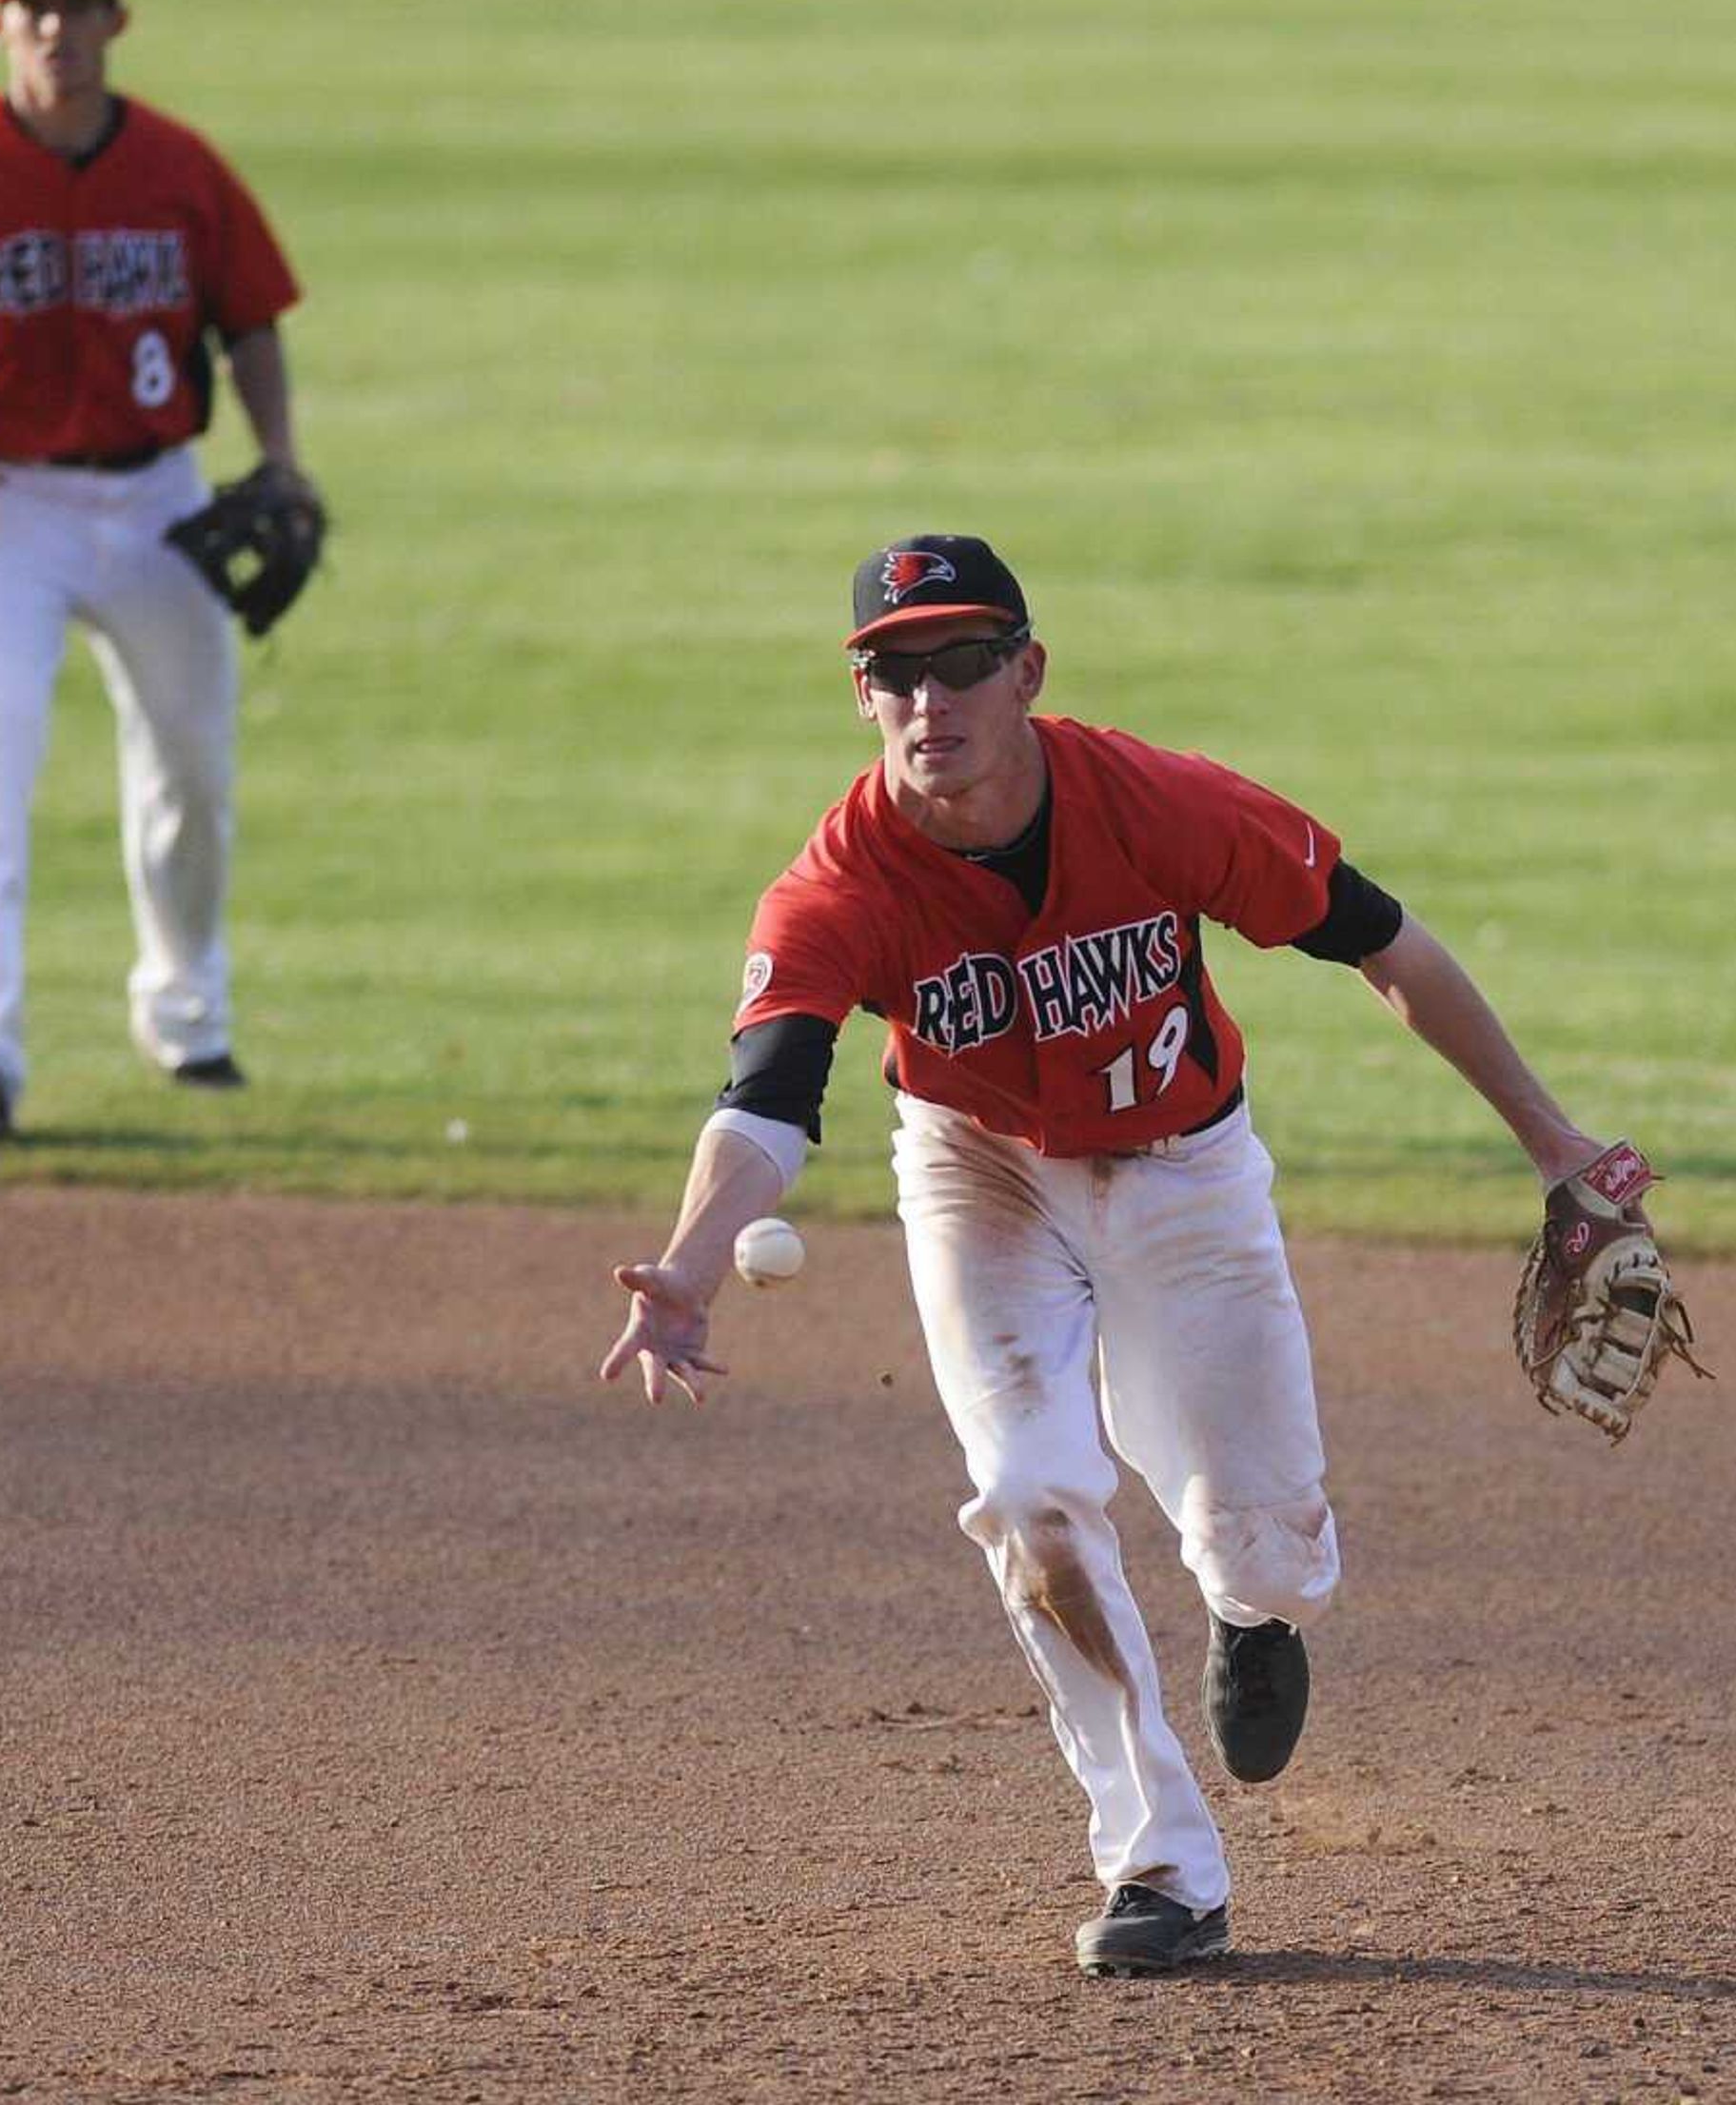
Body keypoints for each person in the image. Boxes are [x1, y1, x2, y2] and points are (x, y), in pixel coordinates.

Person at [600, 533, 1615, 1977]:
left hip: (1186, 1172)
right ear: (862, 694)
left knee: (1270, 1540)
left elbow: (1388, 948)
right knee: (1031, 1494)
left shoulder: (1161, 803)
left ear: (1028, 671)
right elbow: (767, 1100)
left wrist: (1552, 1141)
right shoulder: (836, 886)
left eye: (961, 663)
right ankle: (1162, 1867)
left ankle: (1248, 1607)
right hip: (978, 1176)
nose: (929, 700)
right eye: (894, 672)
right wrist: (692, 1262)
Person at [0, 0, 317, 1140]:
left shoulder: (179, 167)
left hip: (159, 496)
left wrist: (277, 458)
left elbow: (250, 321)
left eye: (77, 6)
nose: (55, 28)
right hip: (4, 507)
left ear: (116, 21)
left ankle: (186, 1017)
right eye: (32, 8)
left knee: (191, 771)